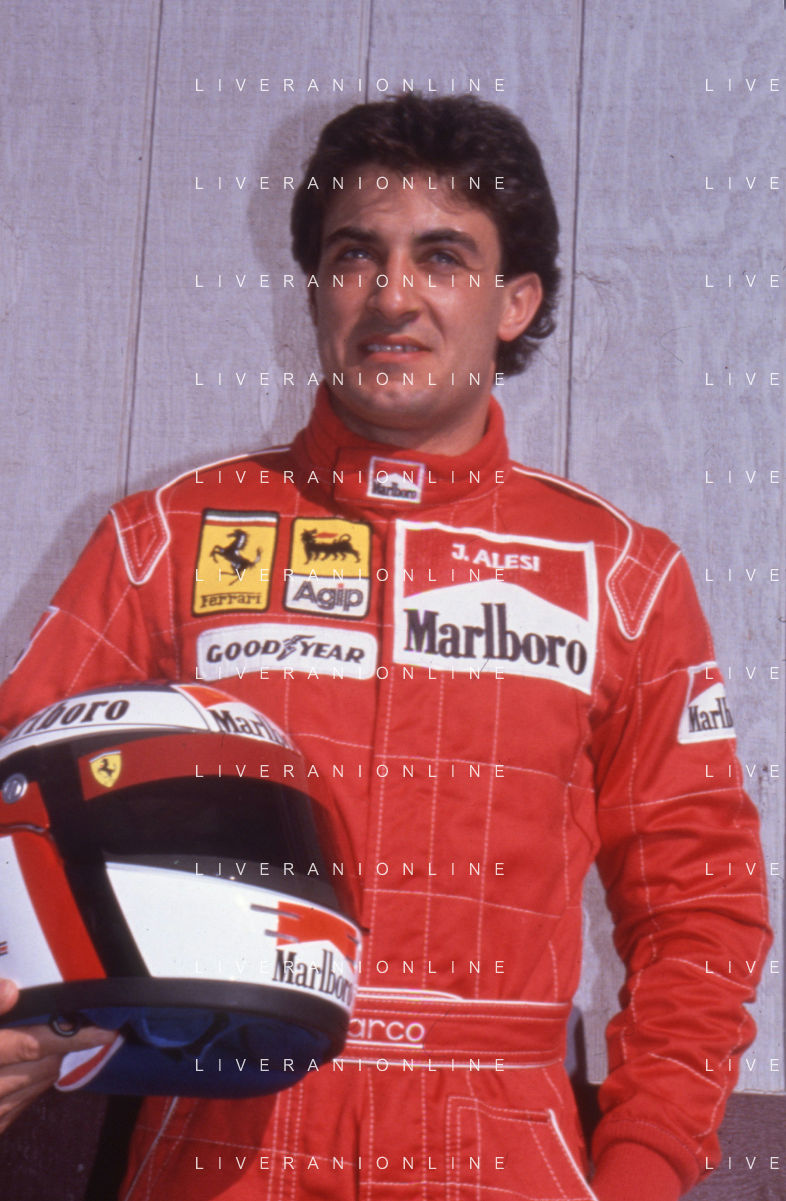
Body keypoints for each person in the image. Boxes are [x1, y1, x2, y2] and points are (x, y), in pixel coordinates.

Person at [0, 94, 771, 1201]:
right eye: (356, 255)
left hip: (509, 1150)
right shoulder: (164, 538)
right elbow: (15, 804)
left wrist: (644, 1165)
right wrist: (28, 1033)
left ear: (516, 302)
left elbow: (702, 906)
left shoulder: (620, 575)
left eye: (442, 258)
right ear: (316, 288)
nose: (392, 294)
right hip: (220, 1133)